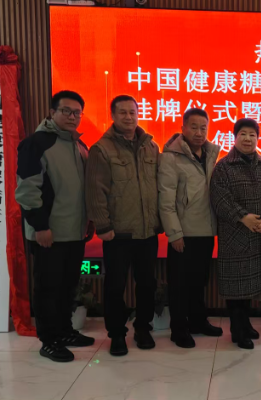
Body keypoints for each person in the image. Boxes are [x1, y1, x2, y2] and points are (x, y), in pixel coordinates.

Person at [16, 90, 95, 362]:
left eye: (77, 113)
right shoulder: (37, 143)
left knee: (68, 286)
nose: (72, 117)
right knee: (48, 288)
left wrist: (88, 221)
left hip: (75, 231)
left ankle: (64, 331)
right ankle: (49, 340)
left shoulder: (78, 145)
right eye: (66, 111)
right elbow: (27, 190)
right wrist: (40, 226)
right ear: (52, 112)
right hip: (49, 233)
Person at [86, 95, 162, 357]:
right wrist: (103, 225)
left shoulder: (151, 146)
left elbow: (158, 187)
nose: (129, 117)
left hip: (147, 232)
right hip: (117, 232)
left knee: (147, 284)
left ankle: (143, 328)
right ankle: (117, 334)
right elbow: (95, 191)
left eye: (133, 112)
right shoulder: (102, 149)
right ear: (113, 116)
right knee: (115, 286)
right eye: (123, 113)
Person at [210, 118, 261, 350]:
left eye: (252, 134)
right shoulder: (224, 167)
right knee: (236, 287)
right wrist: (243, 217)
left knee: (250, 286)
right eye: (243, 134)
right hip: (234, 236)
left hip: (258, 236)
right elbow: (220, 199)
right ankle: (237, 330)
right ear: (235, 137)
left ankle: (246, 324)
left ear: (258, 138)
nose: (248, 139)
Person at [158, 108, 223, 349]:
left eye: (203, 128)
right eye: (193, 127)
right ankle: (179, 329)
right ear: (183, 128)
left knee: (199, 281)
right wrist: (174, 233)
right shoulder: (170, 158)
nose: (199, 132)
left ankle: (198, 321)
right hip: (183, 234)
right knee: (179, 284)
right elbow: (166, 201)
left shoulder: (211, 154)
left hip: (206, 231)